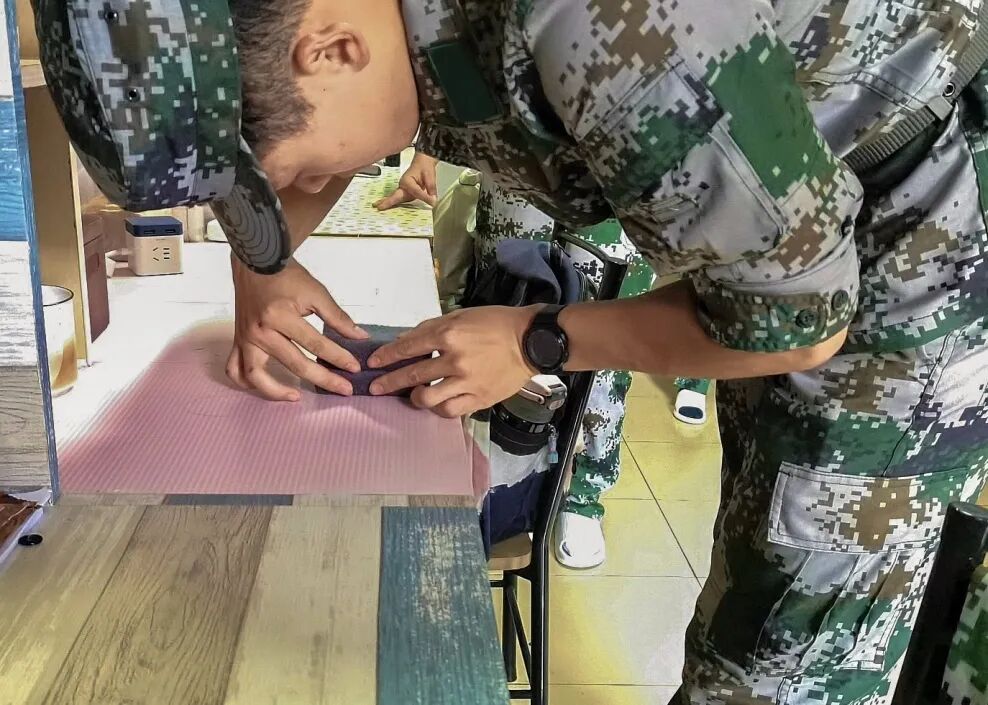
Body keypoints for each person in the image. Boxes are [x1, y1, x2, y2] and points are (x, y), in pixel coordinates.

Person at [32, 1, 988, 703]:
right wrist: (264, 263)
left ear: (331, 47)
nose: (300, 188)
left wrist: (540, 339)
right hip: (765, 220)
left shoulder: (614, 31)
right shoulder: (359, 30)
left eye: (286, 174)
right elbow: (340, 122)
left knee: (776, 660)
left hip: (904, 235)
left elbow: (798, 321)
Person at [378, 151, 657, 568]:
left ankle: (583, 495)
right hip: (515, 162)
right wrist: (429, 154)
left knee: (602, 355)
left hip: (623, 169)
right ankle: (496, 475)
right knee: (496, 316)